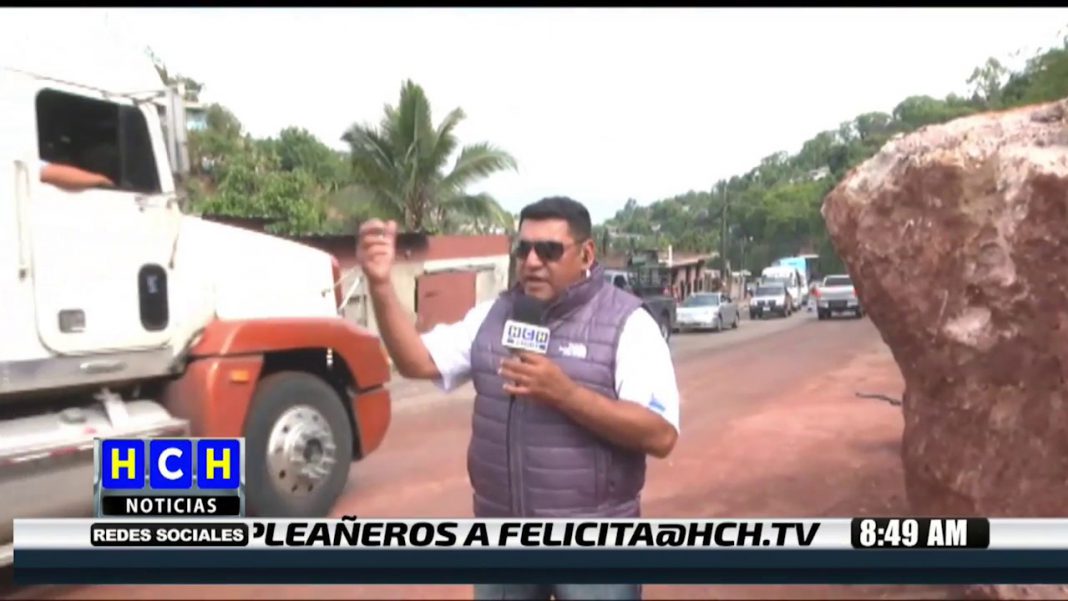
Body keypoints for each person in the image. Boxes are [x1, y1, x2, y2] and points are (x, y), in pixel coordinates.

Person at [356, 196, 681, 601]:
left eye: (549, 250)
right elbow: (416, 361)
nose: (531, 262)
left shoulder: (628, 323)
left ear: (586, 254)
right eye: (523, 249)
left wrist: (566, 394)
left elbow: (660, 435)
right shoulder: (494, 316)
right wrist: (380, 285)